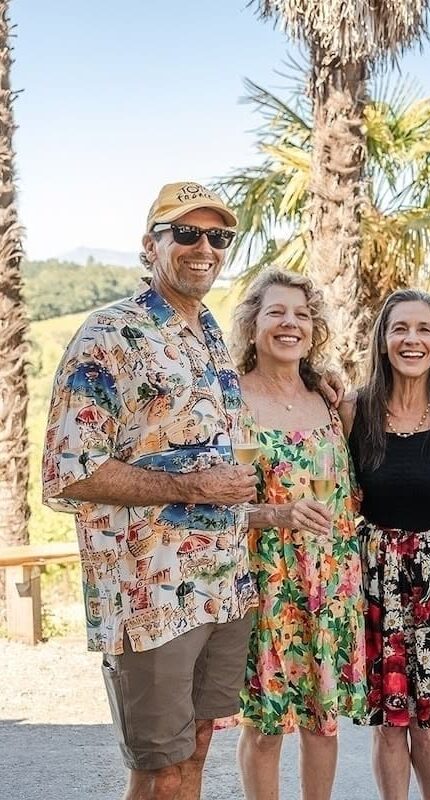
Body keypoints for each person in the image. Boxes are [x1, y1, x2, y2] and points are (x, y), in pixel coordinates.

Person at [41, 181, 259, 800]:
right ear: (149, 245)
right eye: (186, 233)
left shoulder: (211, 334)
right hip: (149, 594)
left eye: (218, 237)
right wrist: (193, 487)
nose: (205, 248)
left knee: (195, 755)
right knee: (157, 767)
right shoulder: (110, 334)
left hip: (223, 587)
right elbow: (69, 469)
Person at [225, 268, 367, 800]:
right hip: (265, 582)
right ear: (253, 324)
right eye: (276, 312)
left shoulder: (330, 399)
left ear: (315, 329)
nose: (290, 324)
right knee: (264, 725)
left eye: (302, 315)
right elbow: (209, 509)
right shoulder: (229, 402)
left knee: (322, 721)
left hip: (330, 584)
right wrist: (276, 517)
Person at [341, 288, 430, 800]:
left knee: (427, 721)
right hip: (378, 576)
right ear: (383, 340)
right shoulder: (356, 409)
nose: (411, 339)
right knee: (389, 722)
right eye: (400, 329)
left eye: (423, 329)